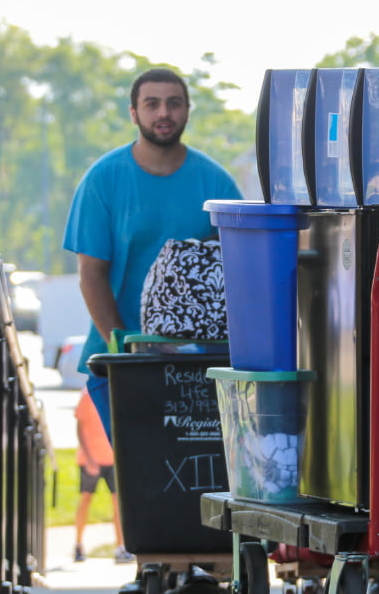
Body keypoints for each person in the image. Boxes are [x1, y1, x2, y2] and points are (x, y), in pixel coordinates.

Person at [63, 67, 243, 440]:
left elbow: (242, 271)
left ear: (188, 110)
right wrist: (125, 344)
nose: (164, 113)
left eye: (174, 103)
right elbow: (91, 274)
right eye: (152, 104)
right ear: (134, 112)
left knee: (199, 481)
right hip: (121, 363)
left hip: (203, 364)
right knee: (141, 482)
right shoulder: (103, 179)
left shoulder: (216, 183)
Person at [72, 388, 132, 564]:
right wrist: (89, 457)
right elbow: (80, 427)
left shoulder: (116, 393)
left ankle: (121, 547)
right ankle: (78, 544)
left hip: (113, 458)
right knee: (85, 500)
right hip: (90, 459)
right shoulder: (86, 395)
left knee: (117, 504)